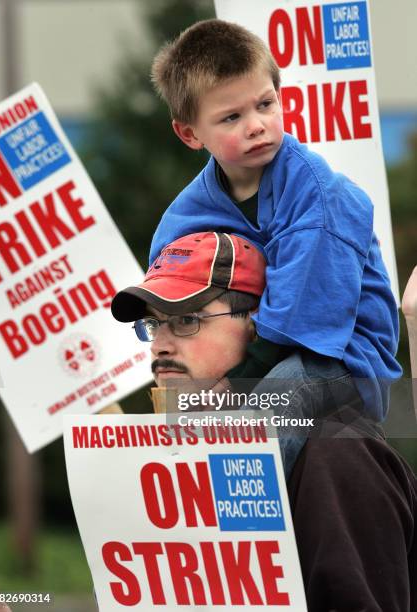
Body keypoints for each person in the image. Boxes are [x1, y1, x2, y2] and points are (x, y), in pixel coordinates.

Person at [111, 231, 416, 611]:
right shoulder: (171, 459)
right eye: (154, 325)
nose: (160, 344)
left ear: (258, 325)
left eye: (187, 319)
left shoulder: (337, 453)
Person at [148, 19, 402, 471]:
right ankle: (180, 497)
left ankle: (243, 503)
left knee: (277, 399)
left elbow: (306, 312)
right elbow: (165, 289)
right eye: (231, 117)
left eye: (266, 105)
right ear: (190, 134)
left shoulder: (318, 196)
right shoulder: (185, 216)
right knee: (181, 401)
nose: (257, 126)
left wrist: (237, 383)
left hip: (342, 356)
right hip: (254, 353)